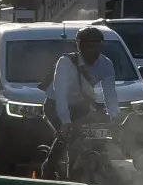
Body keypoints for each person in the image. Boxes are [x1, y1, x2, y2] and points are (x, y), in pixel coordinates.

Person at [45, 27, 122, 176]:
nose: (94, 51)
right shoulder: (66, 63)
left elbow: (110, 94)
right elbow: (61, 95)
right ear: (80, 46)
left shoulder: (106, 64)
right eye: (90, 46)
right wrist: (65, 122)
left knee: (93, 138)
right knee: (68, 137)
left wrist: (115, 117)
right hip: (55, 105)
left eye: (98, 46)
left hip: (80, 105)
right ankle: (48, 171)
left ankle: (97, 170)